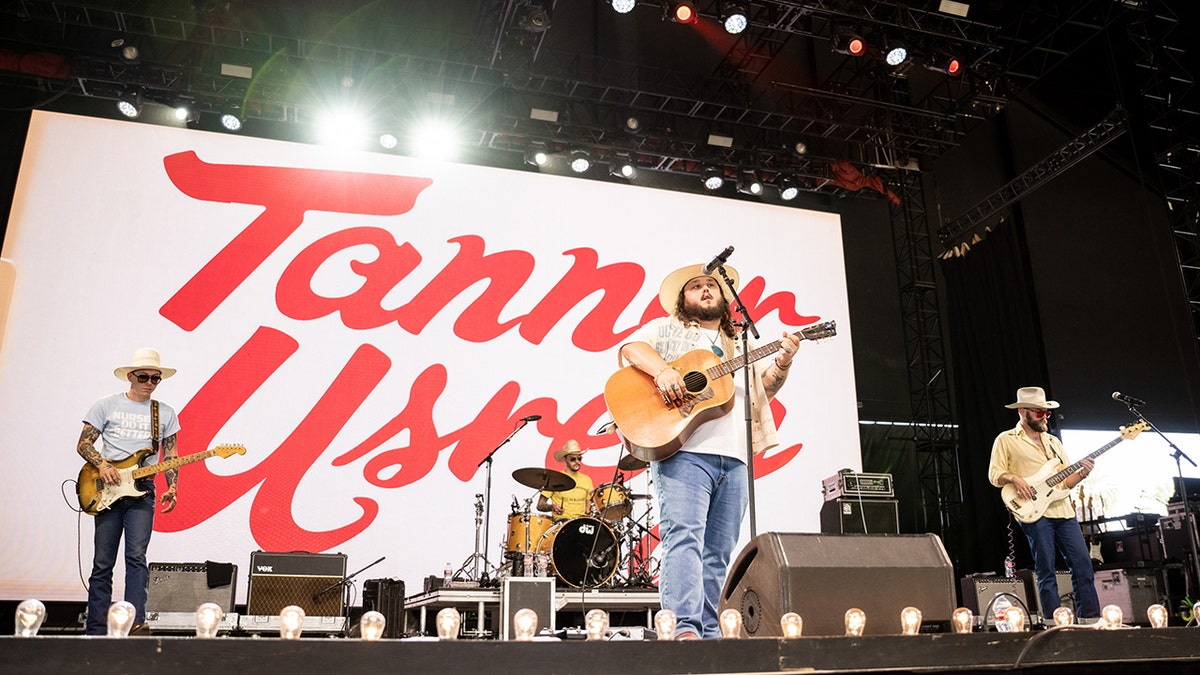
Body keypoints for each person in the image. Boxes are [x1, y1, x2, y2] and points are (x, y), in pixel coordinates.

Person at [617, 263, 800, 639]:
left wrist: (783, 361)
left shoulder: (742, 343)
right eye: (695, 286)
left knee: (718, 551)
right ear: (683, 299)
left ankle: (708, 628)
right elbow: (631, 348)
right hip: (685, 451)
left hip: (735, 456)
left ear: (724, 297)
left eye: (711, 285)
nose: (704, 290)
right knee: (683, 538)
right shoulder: (667, 329)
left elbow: (767, 387)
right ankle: (683, 629)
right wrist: (664, 373)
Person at [77, 347, 181, 635]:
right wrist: (101, 464)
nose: (150, 382)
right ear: (131, 376)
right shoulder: (106, 405)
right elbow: (84, 444)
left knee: (136, 557)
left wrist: (172, 486)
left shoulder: (165, 413)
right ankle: (96, 630)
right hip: (107, 488)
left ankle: (136, 624)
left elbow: (170, 454)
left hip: (143, 490)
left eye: (156, 378)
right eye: (145, 377)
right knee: (103, 562)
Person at [988, 386, 1100, 621]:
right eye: (1039, 413)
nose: (1044, 417)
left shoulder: (1053, 443)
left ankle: (1089, 619)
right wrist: (1014, 478)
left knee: (1082, 564)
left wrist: (1082, 474)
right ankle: (1052, 622)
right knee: (1046, 570)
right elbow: (994, 474)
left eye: (1046, 413)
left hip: (1064, 511)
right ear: (1023, 412)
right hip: (1035, 513)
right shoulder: (1006, 440)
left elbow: (1066, 480)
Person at [537, 439, 594, 520]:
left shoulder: (587, 479)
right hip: (561, 522)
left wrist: (589, 511)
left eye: (579, 458)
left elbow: (589, 504)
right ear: (565, 459)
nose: (577, 462)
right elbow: (540, 505)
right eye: (573, 459)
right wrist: (552, 507)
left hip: (581, 523)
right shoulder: (555, 478)